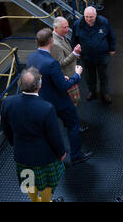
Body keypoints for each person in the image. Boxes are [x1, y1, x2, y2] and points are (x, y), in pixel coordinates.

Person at [27, 28, 93, 165]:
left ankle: (57, 155)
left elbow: (37, 78)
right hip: (59, 101)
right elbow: (63, 86)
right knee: (73, 125)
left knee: (50, 130)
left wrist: (58, 78)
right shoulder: (52, 63)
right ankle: (76, 155)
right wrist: (77, 75)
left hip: (42, 100)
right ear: (51, 40)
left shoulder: (31, 57)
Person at [1, 67, 66, 202]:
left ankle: (35, 201)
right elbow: (54, 136)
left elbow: (6, 128)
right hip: (44, 158)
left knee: (29, 183)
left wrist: (15, 143)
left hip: (22, 156)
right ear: (39, 85)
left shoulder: (7, 102)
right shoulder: (46, 108)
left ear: (20, 84)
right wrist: (61, 153)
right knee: (47, 184)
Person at [72, 6, 116, 104]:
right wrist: (76, 52)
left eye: (91, 17)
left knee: (103, 75)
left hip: (102, 56)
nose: (88, 19)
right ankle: (92, 92)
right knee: (89, 77)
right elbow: (74, 40)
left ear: (96, 15)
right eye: (86, 16)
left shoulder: (104, 22)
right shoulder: (78, 24)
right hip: (87, 57)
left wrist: (112, 48)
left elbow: (111, 36)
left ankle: (105, 93)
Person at [51, 17, 82, 106]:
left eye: (67, 27)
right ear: (55, 28)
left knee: (74, 101)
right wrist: (75, 53)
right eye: (64, 27)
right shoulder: (55, 44)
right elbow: (61, 63)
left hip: (71, 73)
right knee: (71, 103)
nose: (67, 30)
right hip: (67, 77)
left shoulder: (61, 37)